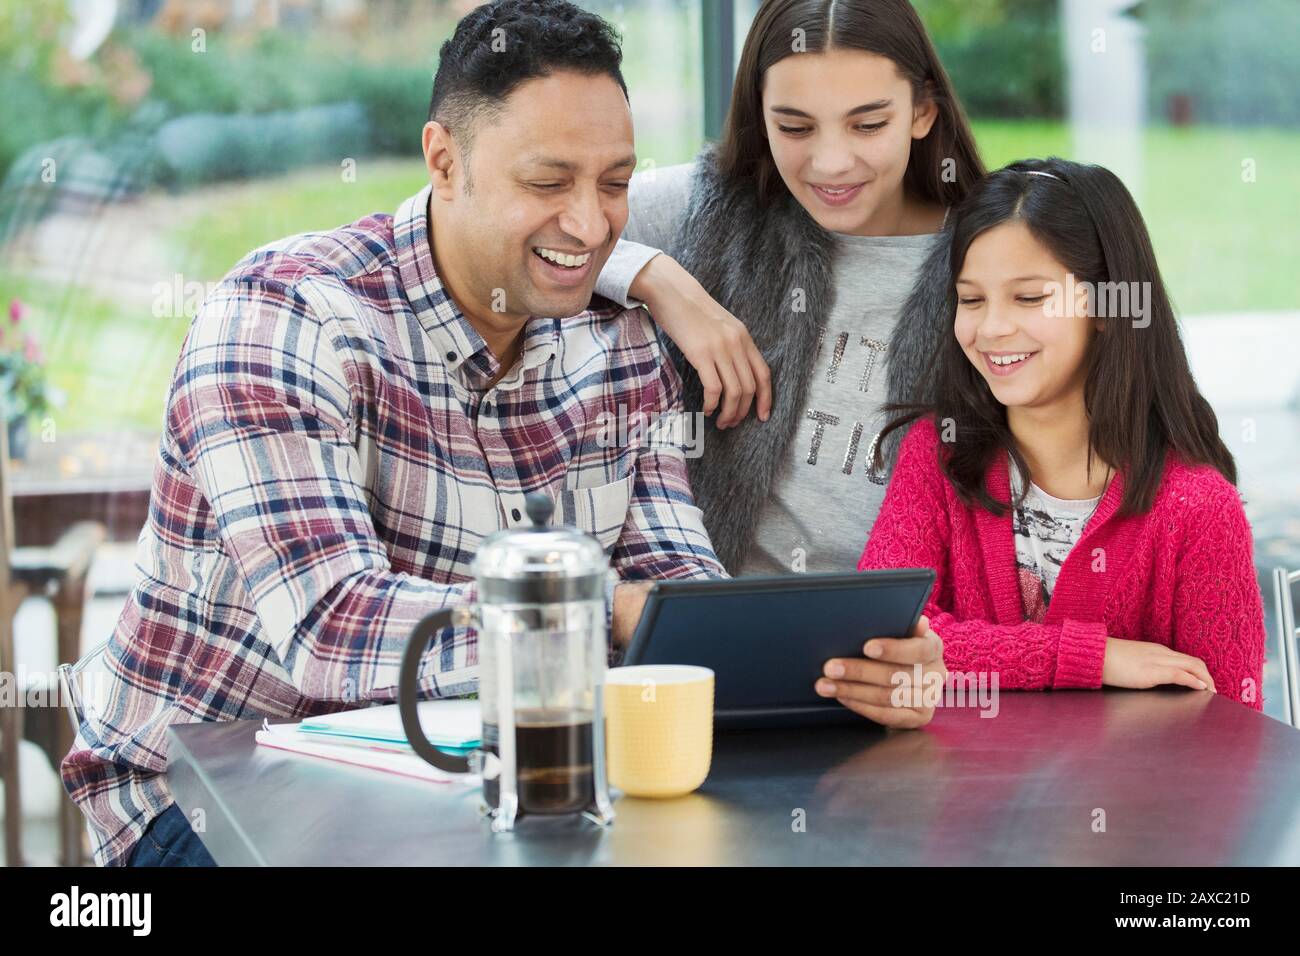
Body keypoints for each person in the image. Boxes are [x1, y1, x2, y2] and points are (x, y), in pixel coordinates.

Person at [61, 0, 725, 868]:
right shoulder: (282, 317)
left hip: (477, 782)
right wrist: (599, 615)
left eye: (614, 182)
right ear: (444, 162)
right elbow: (332, 630)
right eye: (548, 181)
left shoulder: (618, 338)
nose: (594, 224)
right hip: (209, 790)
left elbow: (673, 575)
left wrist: (806, 654)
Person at [593, 0, 975, 725]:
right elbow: (486, 215)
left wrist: (944, 660)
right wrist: (658, 279)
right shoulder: (711, 205)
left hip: (905, 681)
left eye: (869, 124)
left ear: (924, 111)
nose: (830, 162)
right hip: (699, 671)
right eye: (794, 127)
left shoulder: (993, 254)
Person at [858, 158, 1266, 709]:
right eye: (971, 299)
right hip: (961, 794)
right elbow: (884, 640)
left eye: (1029, 298)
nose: (992, 328)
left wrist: (962, 655)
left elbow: (1232, 736)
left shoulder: (1198, 508)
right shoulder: (937, 453)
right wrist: (1092, 658)